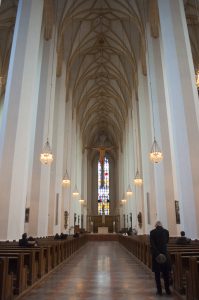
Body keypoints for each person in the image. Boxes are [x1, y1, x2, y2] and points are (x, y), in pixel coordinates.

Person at [150, 221, 172, 296]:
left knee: (157, 274)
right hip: (165, 254)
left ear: (155, 225)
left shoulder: (152, 232)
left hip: (156, 255)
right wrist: (163, 253)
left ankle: (159, 291)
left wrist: (157, 254)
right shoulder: (166, 231)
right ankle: (168, 290)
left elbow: (152, 244)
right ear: (161, 225)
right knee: (166, 274)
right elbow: (167, 241)